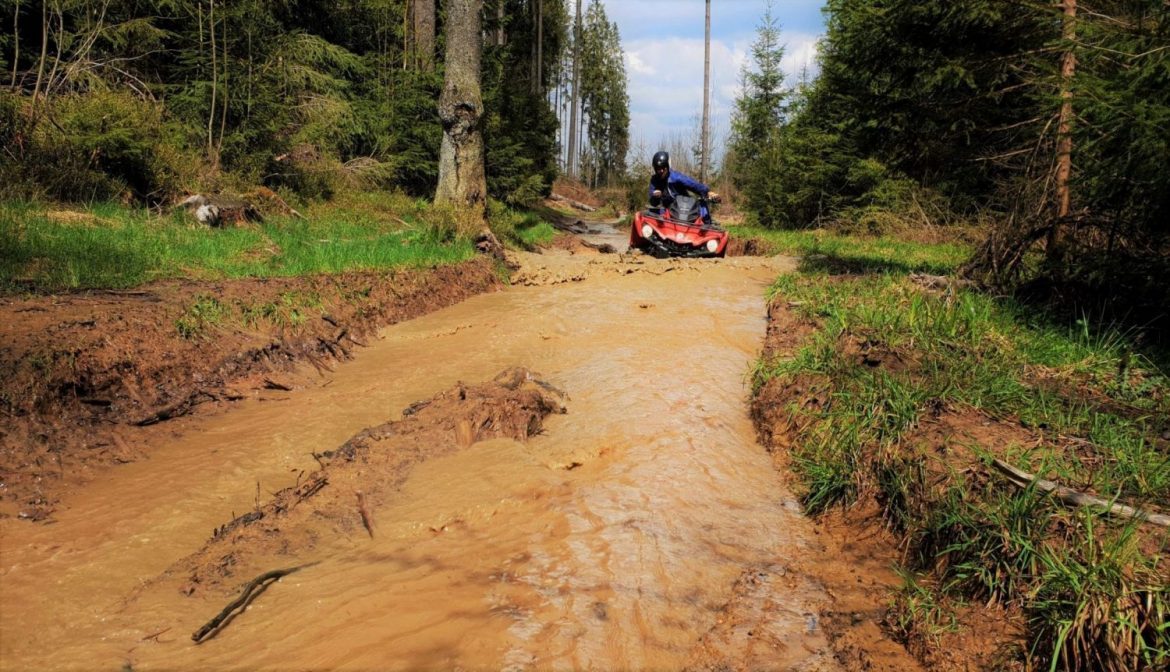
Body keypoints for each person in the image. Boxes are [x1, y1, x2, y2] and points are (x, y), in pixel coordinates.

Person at [648, 151, 719, 227]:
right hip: (668, 211)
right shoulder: (654, 181)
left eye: (663, 167)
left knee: (702, 206)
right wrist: (656, 197)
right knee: (645, 216)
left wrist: (707, 192)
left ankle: (707, 229)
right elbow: (652, 202)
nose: (661, 171)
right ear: (655, 169)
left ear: (667, 166)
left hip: (686, 209)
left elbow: (693, 184)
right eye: (658, 168)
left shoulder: (676, 177)